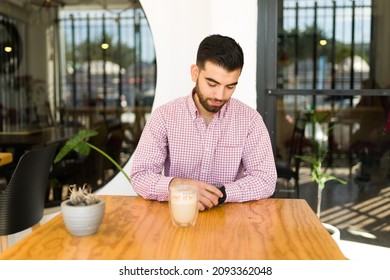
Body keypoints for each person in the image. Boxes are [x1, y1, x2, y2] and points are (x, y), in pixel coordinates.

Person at [130, 34, 277, 211]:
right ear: (195, 73)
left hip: (231, 221)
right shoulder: (164, 116)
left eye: (230, 86)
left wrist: (219, 194)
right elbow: (140, 175)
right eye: (212, 83)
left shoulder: (250, 120)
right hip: (178, 218)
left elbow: (265, 179)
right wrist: (180, 186)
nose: (220, 95)